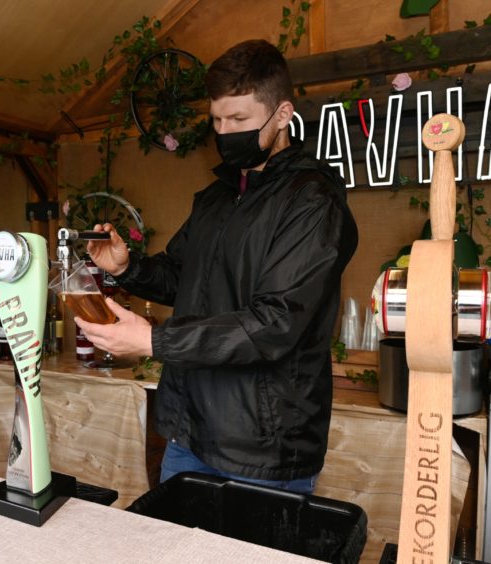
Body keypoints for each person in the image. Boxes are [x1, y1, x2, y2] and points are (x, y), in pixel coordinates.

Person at [75, 39, 358, 494]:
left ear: (282, 115)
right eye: (217, 121)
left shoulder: (312, 201)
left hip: (263, 446)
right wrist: (127, 268)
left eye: (240, 120)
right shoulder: (217, 197)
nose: (225, 133)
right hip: (189, 432)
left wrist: (153, 339)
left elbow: (276, 322)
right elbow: (180, 276)